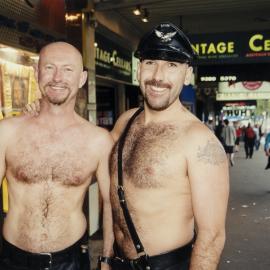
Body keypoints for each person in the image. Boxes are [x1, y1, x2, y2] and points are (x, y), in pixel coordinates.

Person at [108, 22, 229, 270]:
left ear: (187, 75)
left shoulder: (200, 141)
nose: (158, 76)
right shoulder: (124, 122)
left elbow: (212, 236)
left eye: (172, 65)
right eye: (151, 62)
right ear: (139, 69)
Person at [0, 42, 114, 270]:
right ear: (36, 73)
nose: (57, 77)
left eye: (68, 69)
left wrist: (106, 260)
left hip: (71, 261)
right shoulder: (7, 131)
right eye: (50, 67)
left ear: (82, 79)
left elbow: (111, 204)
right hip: (11, 259)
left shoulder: (99, 140)